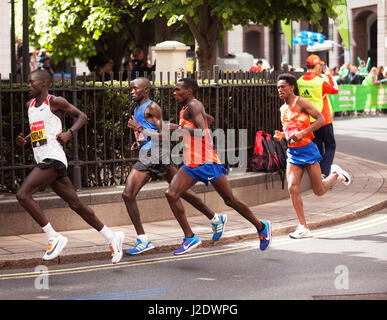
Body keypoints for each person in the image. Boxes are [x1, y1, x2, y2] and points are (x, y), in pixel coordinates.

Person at [15, 69, 124, 264]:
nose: (28, 85)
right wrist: (26, 140)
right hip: (42, 159)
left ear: (44, 84)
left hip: (53, 159)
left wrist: (69, 133)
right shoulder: (29, 105)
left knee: (23, 195)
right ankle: (112, 236)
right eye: (28, 82)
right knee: (76, 205)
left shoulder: (55, 101)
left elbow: (82, 116)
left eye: (32, 82)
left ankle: (53, 237)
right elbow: (41, 130)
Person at [164, 78, 272, 255]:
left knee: (230, 200)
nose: (174, 93)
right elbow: (209, 120)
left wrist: (177, 128)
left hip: (206, 162)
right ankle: (190, 237)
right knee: (171, 193)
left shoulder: (194, 106)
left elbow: (202, 131)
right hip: (192, 163)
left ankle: (261, 226)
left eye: (177, 90)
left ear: (189, 91)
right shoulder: (187, 108)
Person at [123, 77, 227, 255]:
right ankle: (215, 218)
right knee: (180, 192)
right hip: (152, 152)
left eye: (135, 88)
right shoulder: (138, 108)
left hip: (155, 154)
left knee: (128, 194)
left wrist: (140, 130)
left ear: (146, 90)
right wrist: (140, 142)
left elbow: (163, 135)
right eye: (130, 88)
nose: (132, 91)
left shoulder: (152, 108)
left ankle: (144, 239)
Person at [274, 73, 351, 239]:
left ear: (291, 87)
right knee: (292, 188)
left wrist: (304, 132)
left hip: (308, 150)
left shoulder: (301, 102)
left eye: (283, 87)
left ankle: (336, 173)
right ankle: (303, 227)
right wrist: (282, 135)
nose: (280, 90)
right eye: (278, 87)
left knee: (319, 190)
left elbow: (320, 119)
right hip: (293, 152)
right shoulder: (282, 108)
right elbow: (290, 129)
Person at [297, 54, 339, 179]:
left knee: (318, 146)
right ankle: (324, 173)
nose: (320, 67)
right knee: (331, 146)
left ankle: (318, 174)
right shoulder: (320, 82)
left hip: (309, 121)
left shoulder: (299, 81)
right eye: (319, 65)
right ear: (316, 66)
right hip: (323, 119)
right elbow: (335, 89)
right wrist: (329, 75)